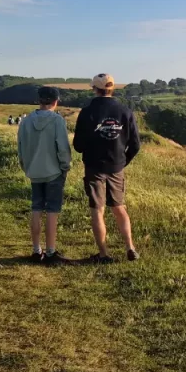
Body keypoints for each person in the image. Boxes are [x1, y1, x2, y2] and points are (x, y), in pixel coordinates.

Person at [73, 73, 141, 262]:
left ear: (94, 88)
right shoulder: (125, 111)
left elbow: (78, 145)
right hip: (117, 167)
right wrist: (122, 162)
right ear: (112, 88)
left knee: (97, 210)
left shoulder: (87, 112)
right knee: (119, 208)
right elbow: (135, 145)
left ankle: (103, 254)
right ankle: (130, 248)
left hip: (94, 166)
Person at [17, 87, 73, 266]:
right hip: (54, 171)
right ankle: (50, 252)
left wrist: (26, 167)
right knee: (52, 211)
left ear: (38, 100)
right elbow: (63, 148)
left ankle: (36, 250)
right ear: (56, 101)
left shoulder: (25, 121)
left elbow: (20, 147)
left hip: (34, 171)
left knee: (36, 208)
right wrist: (65, 167)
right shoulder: (57, 121)